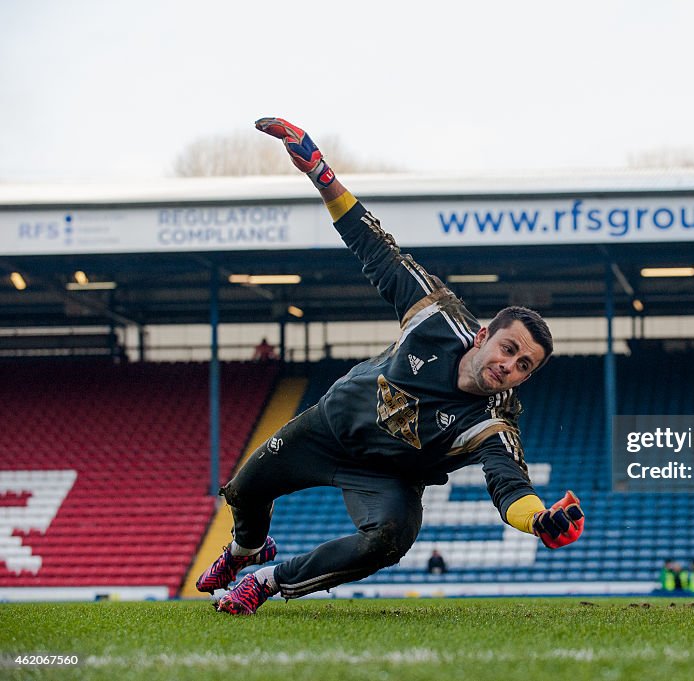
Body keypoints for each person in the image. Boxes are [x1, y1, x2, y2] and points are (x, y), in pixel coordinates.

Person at [196, 117, 584, 615]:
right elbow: (376, 248)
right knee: (244, 492)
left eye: (525, 365)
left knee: (391, 539)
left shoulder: (494, 422)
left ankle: (264, 582)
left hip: (389, 477)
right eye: (509, 348)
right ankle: (246, 551)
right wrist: (321, 173)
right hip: (329, 428)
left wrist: (539, 521)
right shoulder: (434, 315)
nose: (510, 365)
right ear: (485, 335)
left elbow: (510, 485)